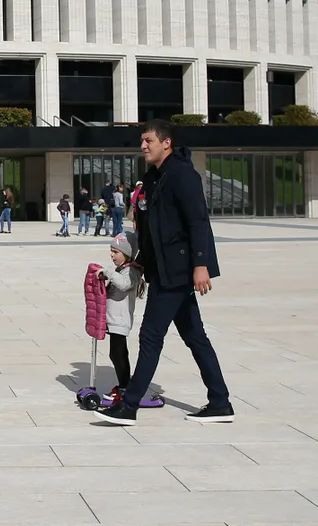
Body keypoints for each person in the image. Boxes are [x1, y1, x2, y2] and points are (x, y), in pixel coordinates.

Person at [95, 119, 233, 426]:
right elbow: (150, 226)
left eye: (148, 141)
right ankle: (220, 402)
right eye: (142, 141)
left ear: (166, 142)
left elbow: (198, 222)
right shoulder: (154, 177)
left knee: (151, 335)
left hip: (179, 269)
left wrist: (201, 265)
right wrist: (140, 261)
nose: (143, 145)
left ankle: (129, 406)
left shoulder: (183, 175)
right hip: (162, 268)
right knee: (196, 337)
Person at [98, 231, 145, 402]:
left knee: (119, 354)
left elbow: (125, 284)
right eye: (111, 251)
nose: (112, 255)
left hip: (120, 320)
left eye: (115, 252)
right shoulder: (121, 269)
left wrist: (109, 272)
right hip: (114, 320)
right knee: (116, 354)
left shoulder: (131, 271)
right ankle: (123, 384)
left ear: (127, 253)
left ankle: (125, 386)